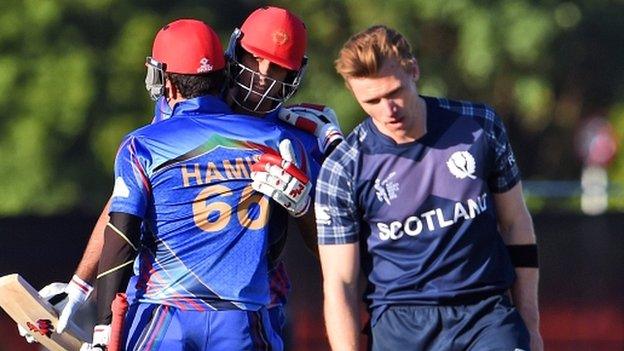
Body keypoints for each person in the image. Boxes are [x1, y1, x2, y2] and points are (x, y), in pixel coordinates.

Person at [89, 18, 317, 350]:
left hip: (164, 313)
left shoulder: (144, 144)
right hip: (243, 316)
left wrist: (103, 327)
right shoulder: (281, 139)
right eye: (257, 60)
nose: (264, 77)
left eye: (278, 68)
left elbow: (122, 234)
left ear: (163, 79)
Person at [315, 25, 543, 351]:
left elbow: (516, 223)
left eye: (394, 92)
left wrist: (530, 324)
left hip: (485, 314)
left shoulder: (480, 126)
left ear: (414, 70)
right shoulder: (343, 168)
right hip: (400, 324)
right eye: (372, 100)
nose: (388, 110)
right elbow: (340, 284)